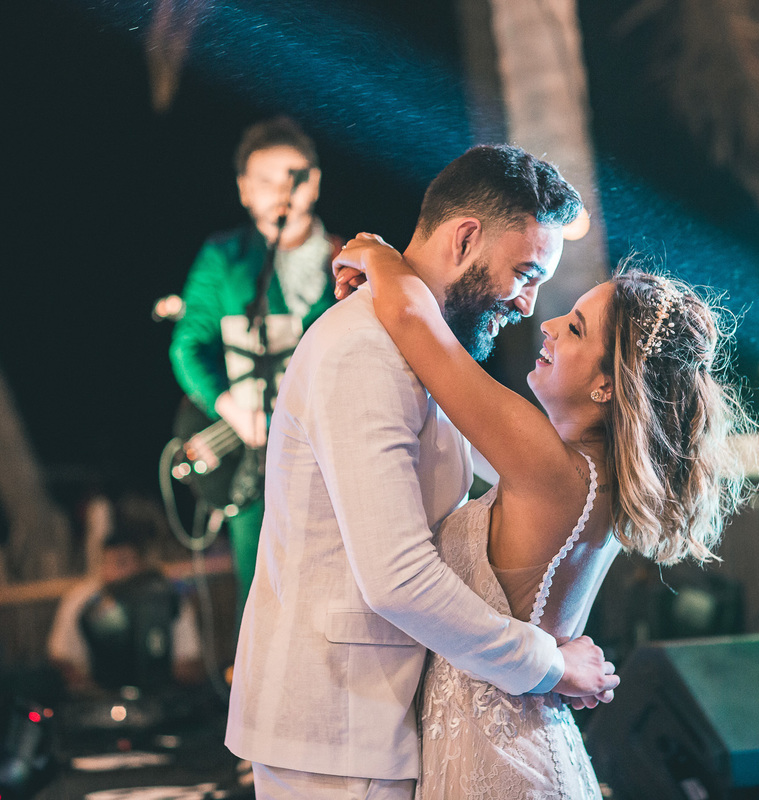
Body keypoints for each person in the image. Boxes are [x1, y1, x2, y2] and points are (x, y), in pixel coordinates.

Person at [225, 145, 619, 800]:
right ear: (465, 238)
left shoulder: (430, 347)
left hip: (387, 723)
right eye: (525, 272)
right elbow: (398, 579)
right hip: (338, 735)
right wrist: (549, 667)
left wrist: (380, 259)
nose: (529, 305)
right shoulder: (362, 351)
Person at [333, 235, 756, 797]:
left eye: (577, 327)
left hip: (498, 763)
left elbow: (415, 322)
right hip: (508, 748)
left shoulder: (550, 466)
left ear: (607, 384)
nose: (550, 323)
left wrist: (373, 252)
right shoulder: (587, 473)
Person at [169, 116, 341, 608]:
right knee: (260, 592)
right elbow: (187, 345)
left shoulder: (349, 257)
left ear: (315, 182)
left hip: (325, 450)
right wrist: (229, 406)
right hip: (253, 453)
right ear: (244, 189)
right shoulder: (224, 257)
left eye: (294, 176)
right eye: (265, 180)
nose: (280, 191)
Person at [48, 499, 202, 693]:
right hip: (99, 699)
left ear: (141, 564)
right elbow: (61, 659)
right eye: (107, 563)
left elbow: (189, 662)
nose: (113, 573)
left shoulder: (167, 598)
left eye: (122, 563)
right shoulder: (81, 601)